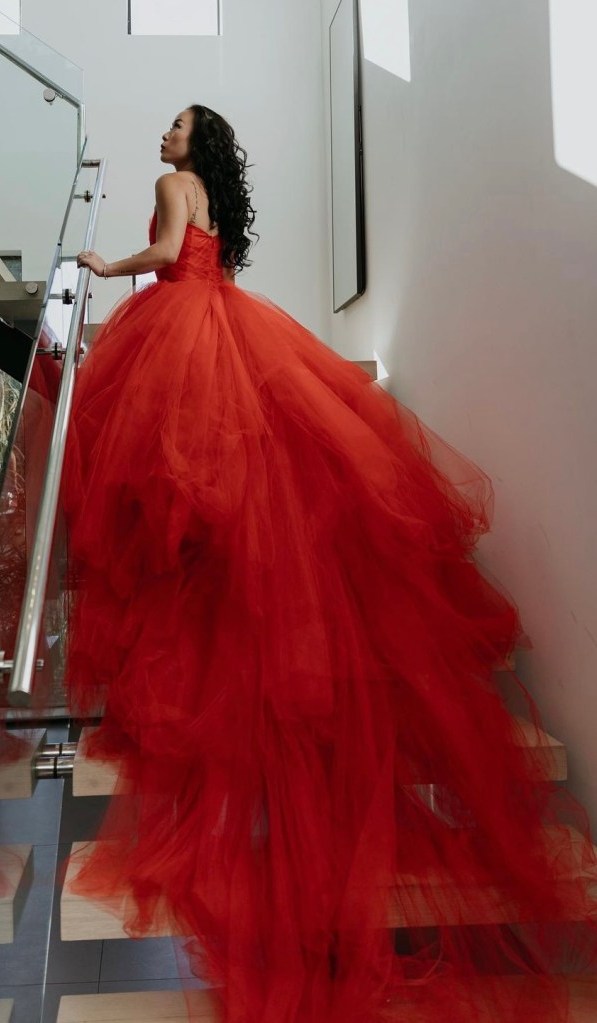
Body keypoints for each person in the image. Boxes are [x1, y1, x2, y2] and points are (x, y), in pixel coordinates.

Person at [66, 105, 597, 1023]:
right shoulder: (215, 191)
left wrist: (105, 267)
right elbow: (207, 260)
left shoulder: (170, 185)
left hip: (182, 324)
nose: (165, 133)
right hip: (225, 319)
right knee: (237, 476)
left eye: (177, 124)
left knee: (172, 479)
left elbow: (166, 256)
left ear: (194, 144)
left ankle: (195, 614)